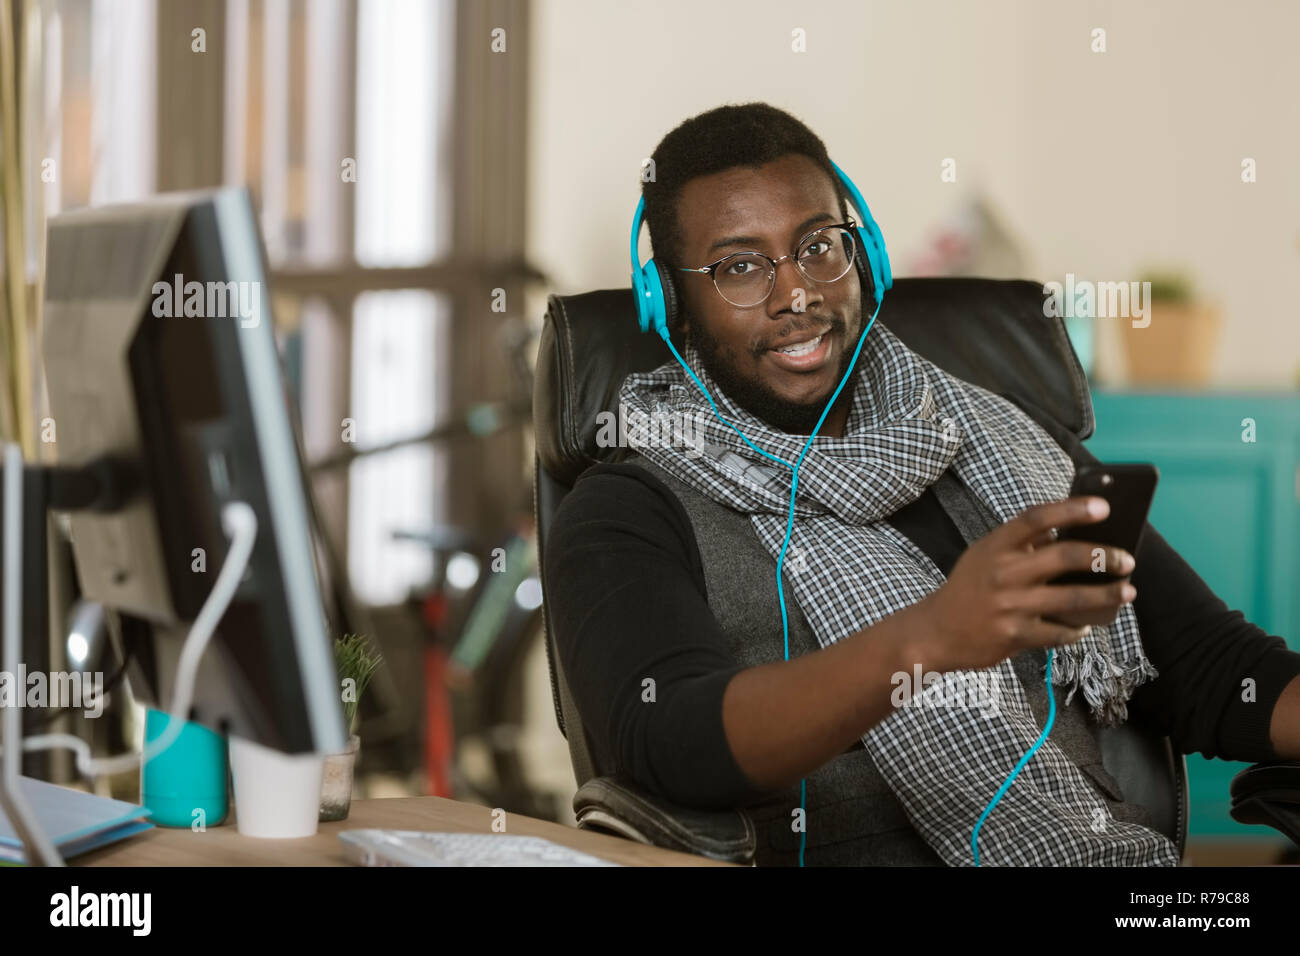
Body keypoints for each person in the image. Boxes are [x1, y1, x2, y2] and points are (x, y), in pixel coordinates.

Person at [544, 102, 1300, 866]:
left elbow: (1214, 668)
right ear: (669, 302)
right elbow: (673, 739)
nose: (797, 294)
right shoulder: (626, 511)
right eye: (740, 267)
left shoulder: (1007, 442)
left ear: (863, 251)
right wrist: (933, 637)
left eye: (818, 247)